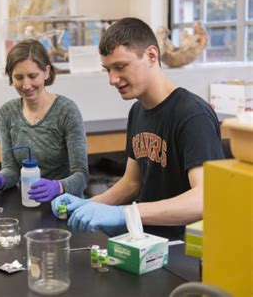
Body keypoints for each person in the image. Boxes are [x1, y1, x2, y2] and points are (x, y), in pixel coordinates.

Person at [51, 18, 225, 240]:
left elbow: (205, 199)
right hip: (146, 241)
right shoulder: (138, 112)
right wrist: (87, 204)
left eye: (120, 67)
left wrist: (125, 213)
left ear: (151, 56)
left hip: (183, 251)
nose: (112, 79)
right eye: (108, 70)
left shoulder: (192, 115)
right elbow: (132, 182)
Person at [0, 39, 88, 202]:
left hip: (64, 204)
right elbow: (12, 170)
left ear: (47, 72)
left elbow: (82, 176)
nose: (26, 85)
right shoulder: (7, 113)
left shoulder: (66, 111)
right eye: (19, 77)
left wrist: (58, 186)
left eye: (32, 76)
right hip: (28, 202)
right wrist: (0, 181)